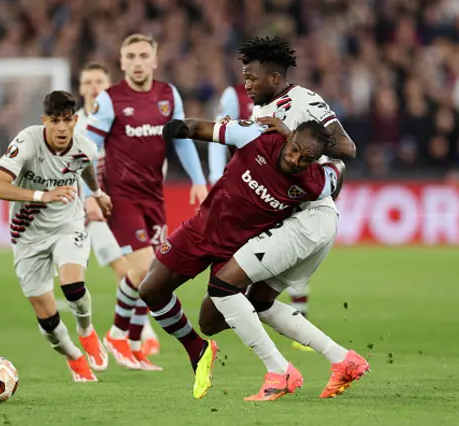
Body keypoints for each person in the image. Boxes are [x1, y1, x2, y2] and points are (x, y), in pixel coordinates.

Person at [197, 36, 368, 399]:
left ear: (274, 78)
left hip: (308, 217)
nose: (246, 85)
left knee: (223, 288)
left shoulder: (305, 100)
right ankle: (343, 359)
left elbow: (347, 148)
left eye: (251, 78)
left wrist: (293, 136)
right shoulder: (263, 112)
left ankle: (279, 373)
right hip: (300, 220)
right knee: (257, 302)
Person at [139, 117, 339, 400]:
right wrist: (179, 128)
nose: (295, 160)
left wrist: (332, 164)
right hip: (200, 229)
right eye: (294, 149)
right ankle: (197, 350)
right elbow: (202, 129)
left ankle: (292, 354)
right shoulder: (255, 135)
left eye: (306, 159)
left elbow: (336, 173)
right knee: (150, 290)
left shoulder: (314, 182)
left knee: (209, 322)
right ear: (289, 136)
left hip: (236, 253)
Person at [85, 34, 208, 371]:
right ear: (121, 62)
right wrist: (90, 195)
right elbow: (87, 148)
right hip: (120, 198)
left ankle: (127, 338)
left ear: (154, 60)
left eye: (143, 56)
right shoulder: (111, 100)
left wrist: (198, 179)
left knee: (151, 274)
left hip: (155, 197)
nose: (137, 62)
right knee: (141, 270)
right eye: (131, 56)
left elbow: (181, 140)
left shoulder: (168, 96)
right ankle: (120, 335)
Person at [0, 91, 112, 382]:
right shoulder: (27, 142)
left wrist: (98, 193)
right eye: (55, 121)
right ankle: (74, 357)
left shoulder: (85, 147)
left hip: (68, 224)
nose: (62, 128)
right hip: (27, 235)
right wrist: (43, 195)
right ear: (45, 121)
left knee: (73, 285)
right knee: (48, 318)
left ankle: (86, 331)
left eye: (67, 120)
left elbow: (86, 168)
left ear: (75, 120)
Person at [76, 62, 160, 364]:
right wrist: (89, 199)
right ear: (82, 87)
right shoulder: (75, 126)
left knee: (144, 269)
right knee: (128, 270)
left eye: (100, 80)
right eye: (88, 82)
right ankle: (134, 335)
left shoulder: (119, 121)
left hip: (125, 205)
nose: (94, 86)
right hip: (93, 211)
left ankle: (135, 336)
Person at [208, 84, 253, 184]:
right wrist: (217, 177)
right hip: (247, 178)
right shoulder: (235, 95)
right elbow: (218, 134)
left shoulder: (290, 96)